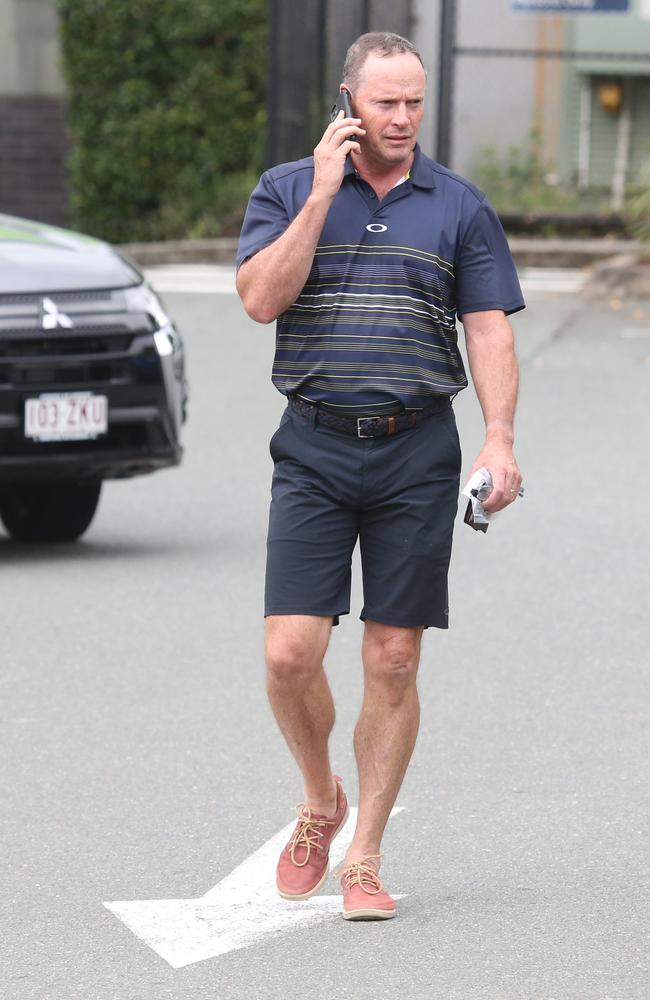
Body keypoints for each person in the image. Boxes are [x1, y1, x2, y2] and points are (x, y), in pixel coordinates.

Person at [235, 31, 524, 921]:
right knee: (290, 651)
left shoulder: (459, 205)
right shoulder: (287, 188)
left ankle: (364, 856)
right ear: (348, 100)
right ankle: (322, 799)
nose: (401, 119)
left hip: (415, 449)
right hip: (314, 446)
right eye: (385, 102)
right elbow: (258, 299)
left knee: (394, 659)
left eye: (414, 103)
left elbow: (488, 329)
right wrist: (322, 196)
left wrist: (499, 438)